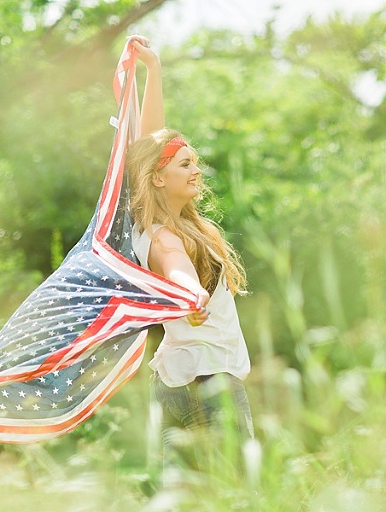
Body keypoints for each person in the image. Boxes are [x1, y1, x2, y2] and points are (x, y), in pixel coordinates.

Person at [125, 36, 255, 487]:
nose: (196, 170)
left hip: (173, 384)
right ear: (158, 178)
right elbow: (176, 264)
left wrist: (153, 71)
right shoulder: (163, 237)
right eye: (185, 164)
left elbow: (147, 145)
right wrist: (190, 291)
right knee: (238, 494)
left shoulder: (150, 225)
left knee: (178, 498)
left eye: (194, 161)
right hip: (211, 382)